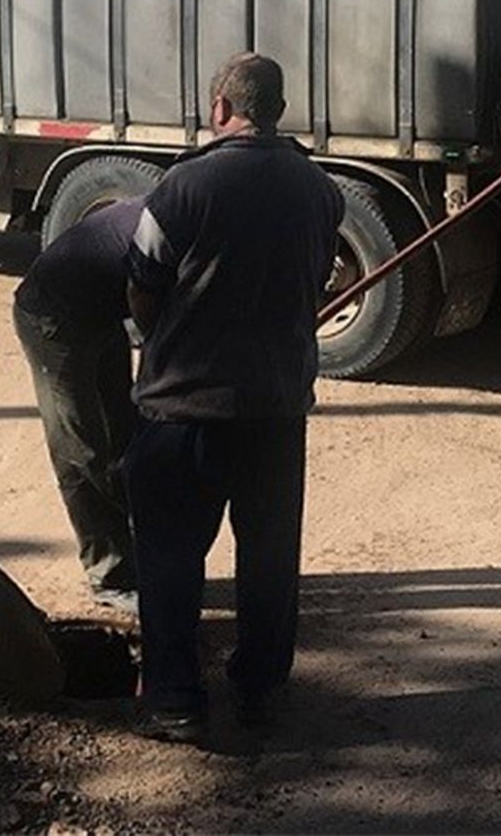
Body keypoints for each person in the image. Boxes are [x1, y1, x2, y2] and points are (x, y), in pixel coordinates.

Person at [123, 52, 343, 743]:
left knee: (169, 559)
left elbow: (142, 286)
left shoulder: (182, 189)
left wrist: (165, 345)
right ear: (277, 110)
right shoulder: (322, 191)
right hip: (276, 411)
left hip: (182, 411)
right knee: (270, 562)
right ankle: (261, 695)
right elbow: (316, 282)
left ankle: (177, 703)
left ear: (221, 108)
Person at [13, 200, 144, 612]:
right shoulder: (171, 230)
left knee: (126, 433)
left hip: (102, 314)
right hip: (53, 320)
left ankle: (140, 561)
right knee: (80, 447)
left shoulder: (187, 210)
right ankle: (110, 574)